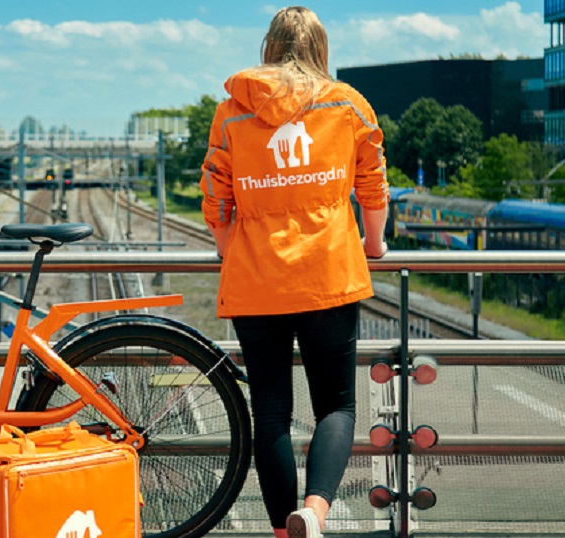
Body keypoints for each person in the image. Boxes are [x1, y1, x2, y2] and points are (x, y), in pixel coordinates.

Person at [198, 6, 389, 538]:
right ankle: (316, 512)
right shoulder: (348, 105)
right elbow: (372, 188)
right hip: (328, 273)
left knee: (272, 412)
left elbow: (215, 198)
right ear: (321, 50)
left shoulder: (232, 112)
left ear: (269, 48)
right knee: (337, 406)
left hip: (256, 280)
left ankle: (285, 532)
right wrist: (373, 245)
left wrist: (230, 247)